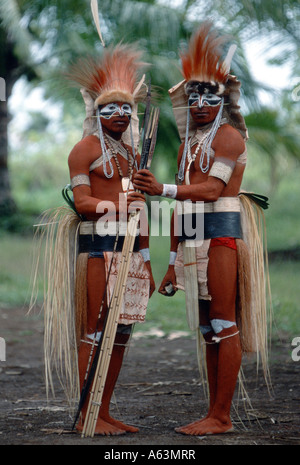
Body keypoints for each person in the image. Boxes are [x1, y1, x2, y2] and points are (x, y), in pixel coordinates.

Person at [133, 22, 269, 436]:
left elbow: (210, 190)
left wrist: (163, 188)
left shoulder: (228, 138)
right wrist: (172, 262)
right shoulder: (190, 144)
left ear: (223, 99)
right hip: (193, 241)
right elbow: (182, 207)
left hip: (222, 238)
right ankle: (214, 411)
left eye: (209, 95)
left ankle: (222, 416)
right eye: (194, 95)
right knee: (209, 327)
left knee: (225, 324)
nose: (200, 102)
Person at [33, 43, 156, 437]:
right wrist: (121, 206)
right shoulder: (84, 149)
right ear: (95, 112)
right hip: (98, 249)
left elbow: (142, 214)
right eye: (110, 109)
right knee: (94, 330)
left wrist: (148, 260)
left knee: (121, 332)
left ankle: (103, 411)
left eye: (126, 109)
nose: (119, 115)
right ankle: (87, 413)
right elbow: (84, 203)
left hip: (130, 251)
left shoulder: (133, 155)